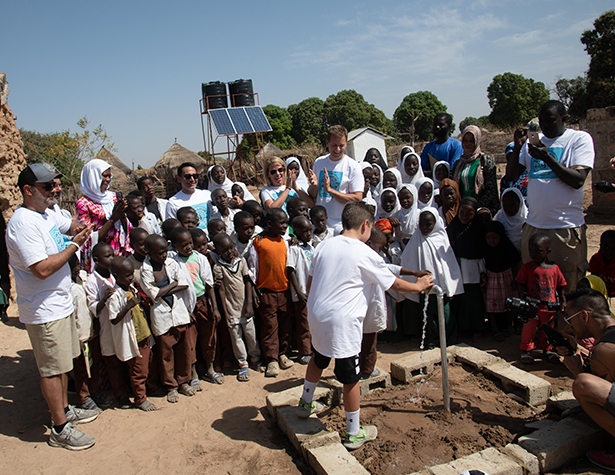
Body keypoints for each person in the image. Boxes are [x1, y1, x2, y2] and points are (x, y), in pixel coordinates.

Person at [296, 202, 433, 451]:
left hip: (317, 313)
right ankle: (353, 432)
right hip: (342, 320)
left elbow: (310, 280)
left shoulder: (325, 245)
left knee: (319, 357)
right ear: (365, 225)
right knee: (351, 376)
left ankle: (305, 403)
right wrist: (419, 286)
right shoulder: (362, 252)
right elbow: (393, 283)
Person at [6, 163, 98, 450]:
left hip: (59, 304)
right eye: (49, 186)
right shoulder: (23, 224)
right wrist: (74, 245)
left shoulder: (43, 214)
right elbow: (42, 269)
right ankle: (59, 428)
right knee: (51, 370)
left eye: (57, 184)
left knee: (61, 366)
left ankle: (65, 412)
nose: (56, 189)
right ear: (28, 190)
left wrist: (79, 226)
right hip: (44, 309)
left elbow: (66, 224)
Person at [505, 100, 595, 291]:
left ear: (564, 118)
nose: (545, 125)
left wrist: (546, 157)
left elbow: (578, 179)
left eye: (551, 120)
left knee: (567, 287)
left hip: (564, 227)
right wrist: (518, 146)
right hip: (535, 226)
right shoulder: (534, 144)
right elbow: (511, 175)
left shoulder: (578, 139)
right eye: (542, 121)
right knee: (535, 288)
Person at [555, 288, 615, 470]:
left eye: (569, 318)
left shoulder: (604, 350)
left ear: (584, 317)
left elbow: (599, 393)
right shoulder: (608, 342)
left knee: (583, 385)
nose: (568, 326)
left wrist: (578, 369)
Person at [139, 234, 193, 403]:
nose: (163, 255)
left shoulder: (171, 263)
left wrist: (163, 290)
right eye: (159, 253)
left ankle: (184, 381)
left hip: (179, 314)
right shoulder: (145, 270)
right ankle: (171, 386)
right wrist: (172, 285)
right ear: (148, 252)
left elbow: (183, 284)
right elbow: (152, 294)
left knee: (183, 351)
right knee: (166, 354)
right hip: (162, 317)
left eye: (165, 251)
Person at [401, 208, 463, 347]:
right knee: (428, 316)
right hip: (426, 287)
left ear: (435, 223)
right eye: (421, 224)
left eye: (428, 224)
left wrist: (450, 284)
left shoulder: (441, 239)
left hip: (442, 286)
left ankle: (448, 339)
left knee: (446, 314)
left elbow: (449, 264)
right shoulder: (416, 240)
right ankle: (432, 340)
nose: (424, 227)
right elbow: (407, 259)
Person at [169, 227, 222, 386]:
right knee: (190, 342)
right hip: (187, 307)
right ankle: (193, 374)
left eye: (190, 243)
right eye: (184, 244)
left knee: (209, 337)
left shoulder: (200, 258)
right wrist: (185, 310)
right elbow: (176, 290)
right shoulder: (174, 263)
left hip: (204, 302)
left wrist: (214, 306)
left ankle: (210, 369)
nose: (188, 247)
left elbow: (209, 284)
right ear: (175, 246)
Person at [107, 257, 157, 411]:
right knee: (138, 370)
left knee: (148, 364)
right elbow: (114, 319)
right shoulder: (115, 295)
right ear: (116, 275)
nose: (130, 278)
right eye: (127, 275)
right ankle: (140, 399)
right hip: (133, 337)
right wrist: (128, 306)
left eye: (131, 274)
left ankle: (149, 389)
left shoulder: (131, 288)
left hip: (143, 333)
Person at [247, 208, 293, 377]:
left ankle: (283, 354)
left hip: (285, 291)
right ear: (268, 224)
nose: (284, 226)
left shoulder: (286, 241)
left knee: (285, 325)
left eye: (286, 223)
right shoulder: (258, 242)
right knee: (269, 327)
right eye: (281, 223)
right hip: (266, 292)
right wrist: (254, 288)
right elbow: (253, 268)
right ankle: (272, 360)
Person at [213, 233, 262, 381]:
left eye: (231, 248)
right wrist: (226, 312)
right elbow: (221, 290)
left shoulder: (241, 262)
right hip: (231, 307)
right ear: (218, 251)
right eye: (225, 250)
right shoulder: (218, 267)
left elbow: (247, 281)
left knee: (251, 335)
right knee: (236, 338)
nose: (230, 252)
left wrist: (249, 303)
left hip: (244, 306)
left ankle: (255, 358)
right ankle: (243, 364)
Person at [516, 233, 566, 364]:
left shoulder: (554, 269)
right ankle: (526, 350)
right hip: (531, 306)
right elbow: (520, 282)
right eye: (530, 250)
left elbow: (561, 286)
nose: (533, 254)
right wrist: (524, 296)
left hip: (549, 307)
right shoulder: (527, 267)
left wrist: (562, 300)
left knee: (547, 330)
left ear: (548, 251)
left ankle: (547, 349)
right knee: (529, 329)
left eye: (538, 251)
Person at [76, 159, 129, 272]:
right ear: (92, 176)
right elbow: (87, 238)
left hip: (118, 252)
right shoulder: (83, 204)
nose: (108, 180)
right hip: (100, 259)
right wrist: (112, 220)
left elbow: (125, 228)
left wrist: (122, 215)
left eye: (109, 176)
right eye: (104, 176)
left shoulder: (113, 197)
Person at [308, 125, 364, 232]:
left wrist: (330, 191)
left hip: (341, 225)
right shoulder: (319, 162)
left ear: (346, 144)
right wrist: (314, 186)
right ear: (327, 143)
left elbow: (357, 198)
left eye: (341, 145)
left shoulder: (353, 166)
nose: (337, 149)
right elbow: (313, 194)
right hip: (320, 225)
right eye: (334, 145)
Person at [447, 197, 486, 339]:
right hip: (457, 267)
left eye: (469, 214)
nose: (464, 216)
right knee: (460, 300)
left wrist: (482, 272)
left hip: (473, 270)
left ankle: (477, 327)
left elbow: (481, 252)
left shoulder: (478, 229)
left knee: (474, 301)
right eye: (462, 212)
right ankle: (462, 327)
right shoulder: (453, 228)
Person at [484, 221, 521, 341]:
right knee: (491, 304)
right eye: (488, 238)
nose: (491, 241)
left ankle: (509, 326)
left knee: (509, 303)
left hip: (507, 277)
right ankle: (494, 328)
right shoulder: (485, 249)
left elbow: (514, 264)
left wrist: (516, 279)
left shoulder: (507, 248)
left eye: (495, 237)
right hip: (491, 278)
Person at [452, 125, 500, 216]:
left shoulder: (485, 161)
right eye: (465, 141)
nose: (468, 144)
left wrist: (476, 207)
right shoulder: (459, 164)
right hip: (462, 209)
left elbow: (491, 190)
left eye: (471, 141)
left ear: (477, 141)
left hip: (480, 210)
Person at [286, 215, 314, 365]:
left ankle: (315, 348)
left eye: (310, 230)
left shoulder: (312, 247)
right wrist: (298, 292)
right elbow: (290, 270)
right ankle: (305, 352)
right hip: (302, 293)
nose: (308, 234)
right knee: (303, 323)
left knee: (313, 322)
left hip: (314, 293)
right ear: (296, 232)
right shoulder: (294, 249)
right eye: (304, 231)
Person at [166, 162, 212, 231]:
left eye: (195, 176)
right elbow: (172, 229)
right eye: (188, 177)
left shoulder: (207, 195)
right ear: (179, 179)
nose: (192, 179)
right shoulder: (173, 203)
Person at [494, 187, 528, 254]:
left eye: (512, 206)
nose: (509, 209)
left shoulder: (527, 218)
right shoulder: (499, 218)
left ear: (520, 203)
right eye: (506, 206)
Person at [588, 230, 615, 298]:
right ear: (600, 246)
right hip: (601, 291)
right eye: (606, 248)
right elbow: (594, 280)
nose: (610, 251)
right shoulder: (596, 259)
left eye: (614, 249)